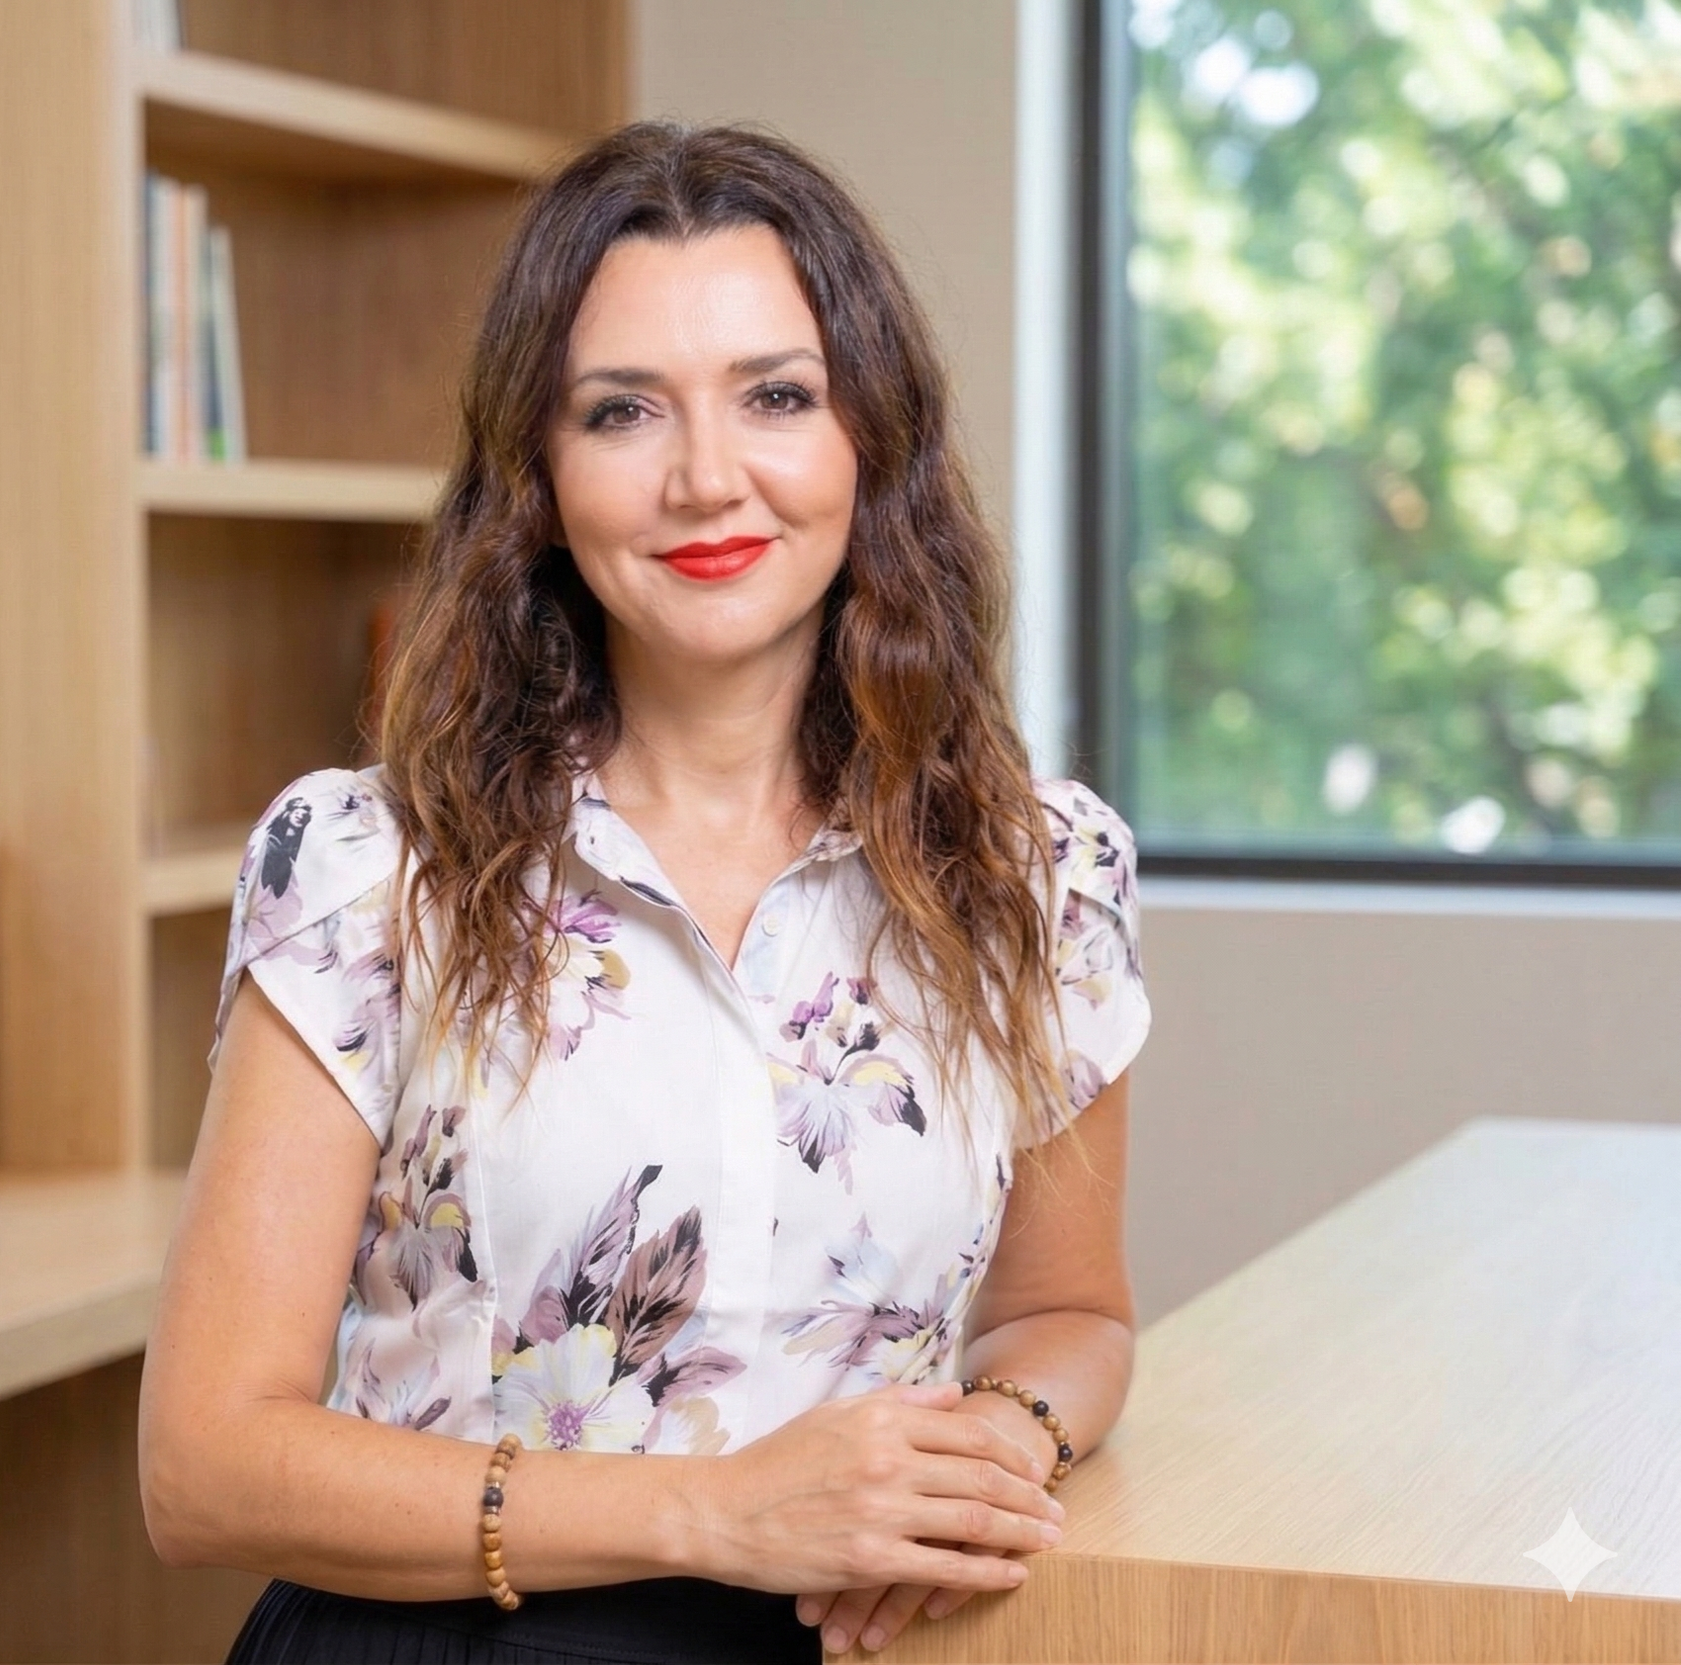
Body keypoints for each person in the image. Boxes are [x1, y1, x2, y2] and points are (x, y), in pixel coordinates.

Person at [140, 121, 1150, 1665]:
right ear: (538, 478)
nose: (706, 479)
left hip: (868, 1639)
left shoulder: (1036, 872)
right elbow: (204, 1467)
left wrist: (998, 1441)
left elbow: (1069, 1318)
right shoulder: (366, 865)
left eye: (777, 397)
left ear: (869, 436)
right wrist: (715, 1515)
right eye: (622, 412)